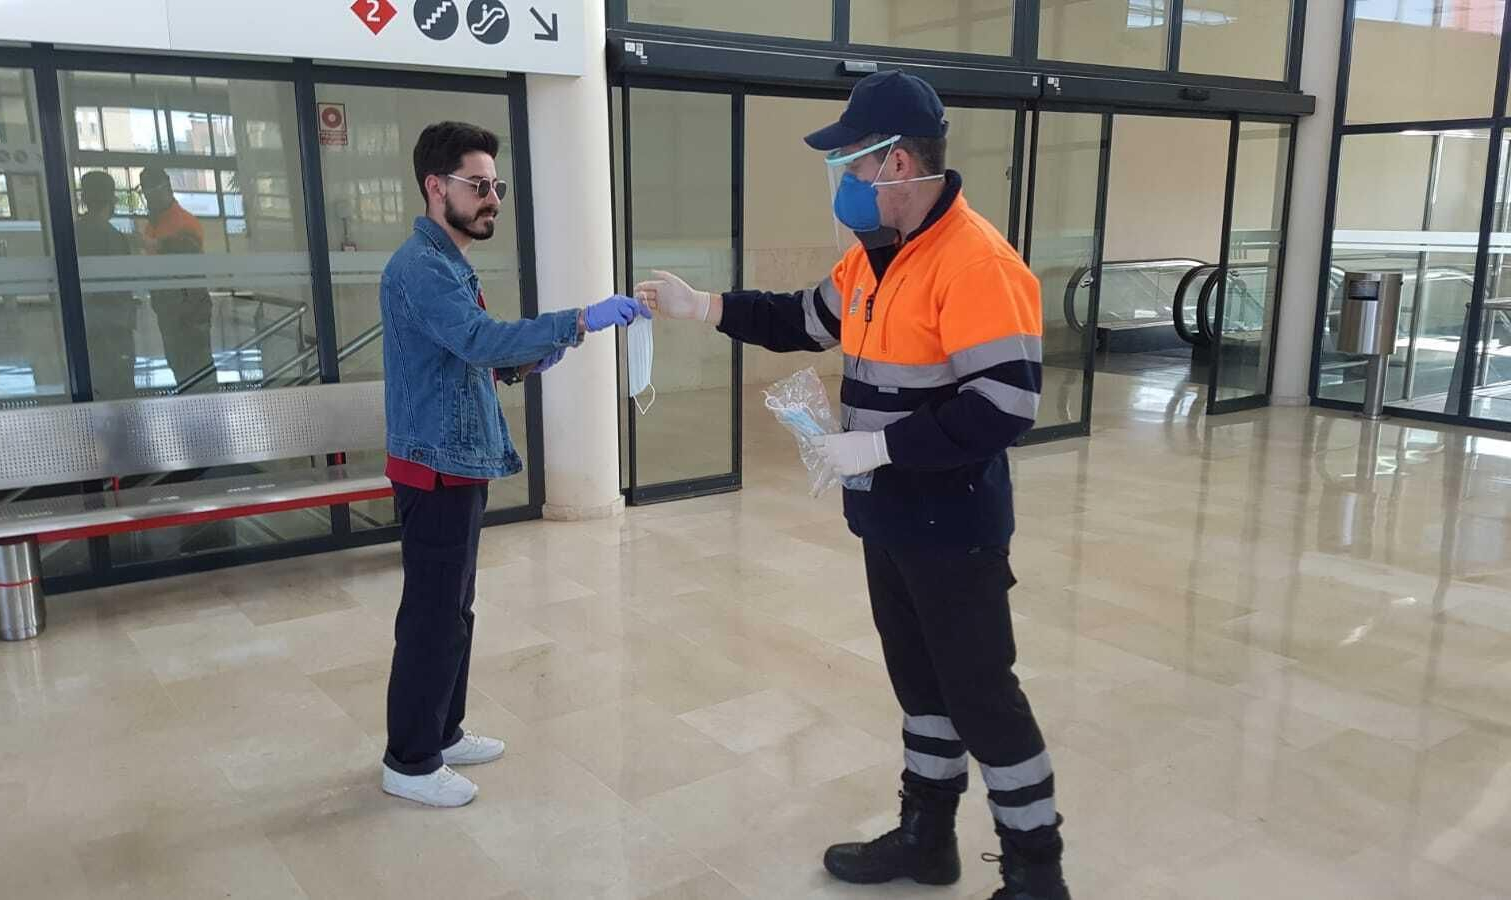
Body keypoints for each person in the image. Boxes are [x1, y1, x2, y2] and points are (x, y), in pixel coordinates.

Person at [636, 72, 1070, 899]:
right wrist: (706, 308)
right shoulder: (873, 259)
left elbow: (1006, 404)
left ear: (898, 163)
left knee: (982, 696)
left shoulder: (976, 262)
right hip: (891, 521)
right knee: (920, 685)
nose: (845, 180)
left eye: (852, 163)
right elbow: (800, 316)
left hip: (954, 523)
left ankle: (1036, 873)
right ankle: (926, 837)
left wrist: (878, 449)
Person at [378, 121, 649, 809]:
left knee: (456, 609)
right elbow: (474, 339)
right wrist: (576, 321)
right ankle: (409, 761)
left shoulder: (448, 263)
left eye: (496, 185)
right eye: (478, 185)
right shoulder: (420, 266)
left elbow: (468, 358)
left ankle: (443, 730)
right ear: (436, 188)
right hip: (433, 469)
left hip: (456, 461)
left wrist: (526, 359)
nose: (491, 197)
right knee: (432, 617)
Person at [139, 166, 212, 390]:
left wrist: (156, 245)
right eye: (146, 194)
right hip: (169, 311)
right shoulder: (153, 225)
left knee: (198, 370)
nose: (149, 200)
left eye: (152, 193)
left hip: (189, 312)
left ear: (167, 190)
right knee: (179, 366)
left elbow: (186, 252)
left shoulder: (184, 222)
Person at [74, 171, 136, 399]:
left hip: (85, 323)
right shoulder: (113, 238)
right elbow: (123, 283)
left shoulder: (73, 233)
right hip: (113, 325)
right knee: (120, 391)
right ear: (111, 200)